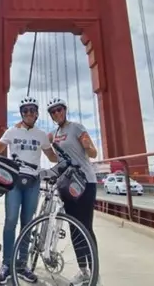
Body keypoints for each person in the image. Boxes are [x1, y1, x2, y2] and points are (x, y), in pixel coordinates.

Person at [0, 96, 57, 285]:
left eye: (32, 110)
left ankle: (22, 266)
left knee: (27, 224)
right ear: (21, 113)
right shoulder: (12, 131)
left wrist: (59, 143)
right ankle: (6, 264)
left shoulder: (41, 134)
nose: (29, 113)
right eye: (25, 110)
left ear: (37, 114)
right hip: (14, 181)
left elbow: (53, 158)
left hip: (33, 182)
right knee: (10, 222)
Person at [46, 97, 99, 283]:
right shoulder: (54, 134)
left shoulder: (76, 128)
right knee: (74, 227)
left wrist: (88, 146)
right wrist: (46, 148)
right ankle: (83, 271)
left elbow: (93, 153)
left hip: (85, 182)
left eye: (59, 109)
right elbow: (54, 159)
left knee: (86, 227)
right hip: (68, 184)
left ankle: (95, 272)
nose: (57, 113)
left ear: (65, 110)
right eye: (53, 112)